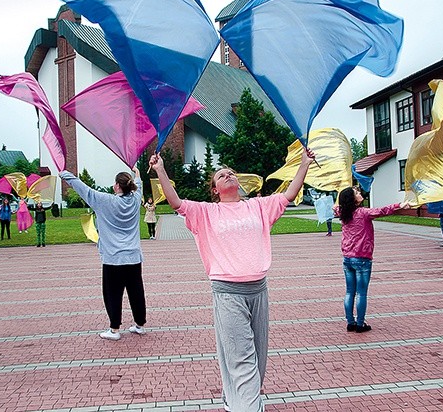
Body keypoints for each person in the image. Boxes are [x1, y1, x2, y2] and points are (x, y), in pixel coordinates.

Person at [151, 148, 314, 412]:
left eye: (231, 174)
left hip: (259, 289)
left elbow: (288, 195)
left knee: (257, 358)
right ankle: (250, 407)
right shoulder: (205, 213)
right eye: (222, 175)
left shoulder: (258, 207)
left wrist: (304, 163)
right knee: (241, 356)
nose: (228, 176)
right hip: (227, 292)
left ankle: (233, 399)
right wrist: (160, 170)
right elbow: (176, 202)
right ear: (215, 189)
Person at [59, 167, 147, 341]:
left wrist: (64, 173)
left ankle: (114, 329)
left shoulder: (104, 201)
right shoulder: (136, 200)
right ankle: (139, 325)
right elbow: (139, 183)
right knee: (136, 292)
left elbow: (83, 188)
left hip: (113, 258)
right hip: (133, 257)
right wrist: (137, 172)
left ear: (116, 186)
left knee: (113, 294)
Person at [335, 186, 410, 333]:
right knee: (361, 293)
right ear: (352, 199)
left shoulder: (342, 212)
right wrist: (399, 205)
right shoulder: (363, 213)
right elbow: (382, 211)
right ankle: (360, 324)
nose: (360, 193)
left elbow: (335, 207)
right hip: (362, 258)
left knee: (350, 291)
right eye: (356, 193)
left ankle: (350, 322)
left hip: (348, 258)